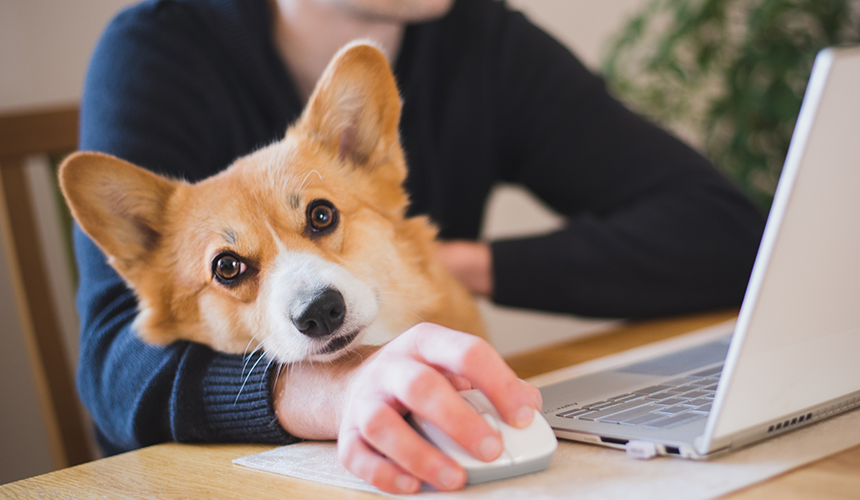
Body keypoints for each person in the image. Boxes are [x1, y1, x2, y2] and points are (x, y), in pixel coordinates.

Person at [75, 0, 765, 493]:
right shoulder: (157, 49)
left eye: (321, 217)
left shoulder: (484, 39)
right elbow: (113, 359)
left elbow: (726, 234)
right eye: (232, 268)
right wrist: (328, 390)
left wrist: (452, 261)